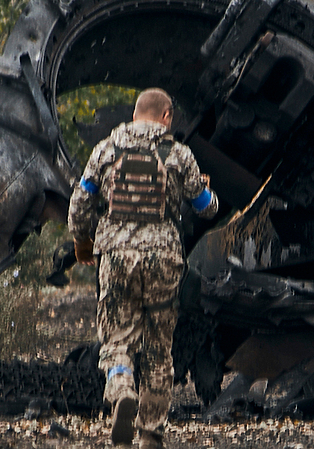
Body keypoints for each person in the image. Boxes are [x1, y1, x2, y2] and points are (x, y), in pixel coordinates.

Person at [68, 88, 218, 448]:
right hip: (163, 260)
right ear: (166, 116)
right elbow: (206, 207)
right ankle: (151, 432)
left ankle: (121, 390)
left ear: (136, 114)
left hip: (117, 257)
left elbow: (79, 205)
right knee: (158, 348)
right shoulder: (179, 155)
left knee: (117, 338)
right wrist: (207, 194)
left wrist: (83, 243)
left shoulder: (106, 150)